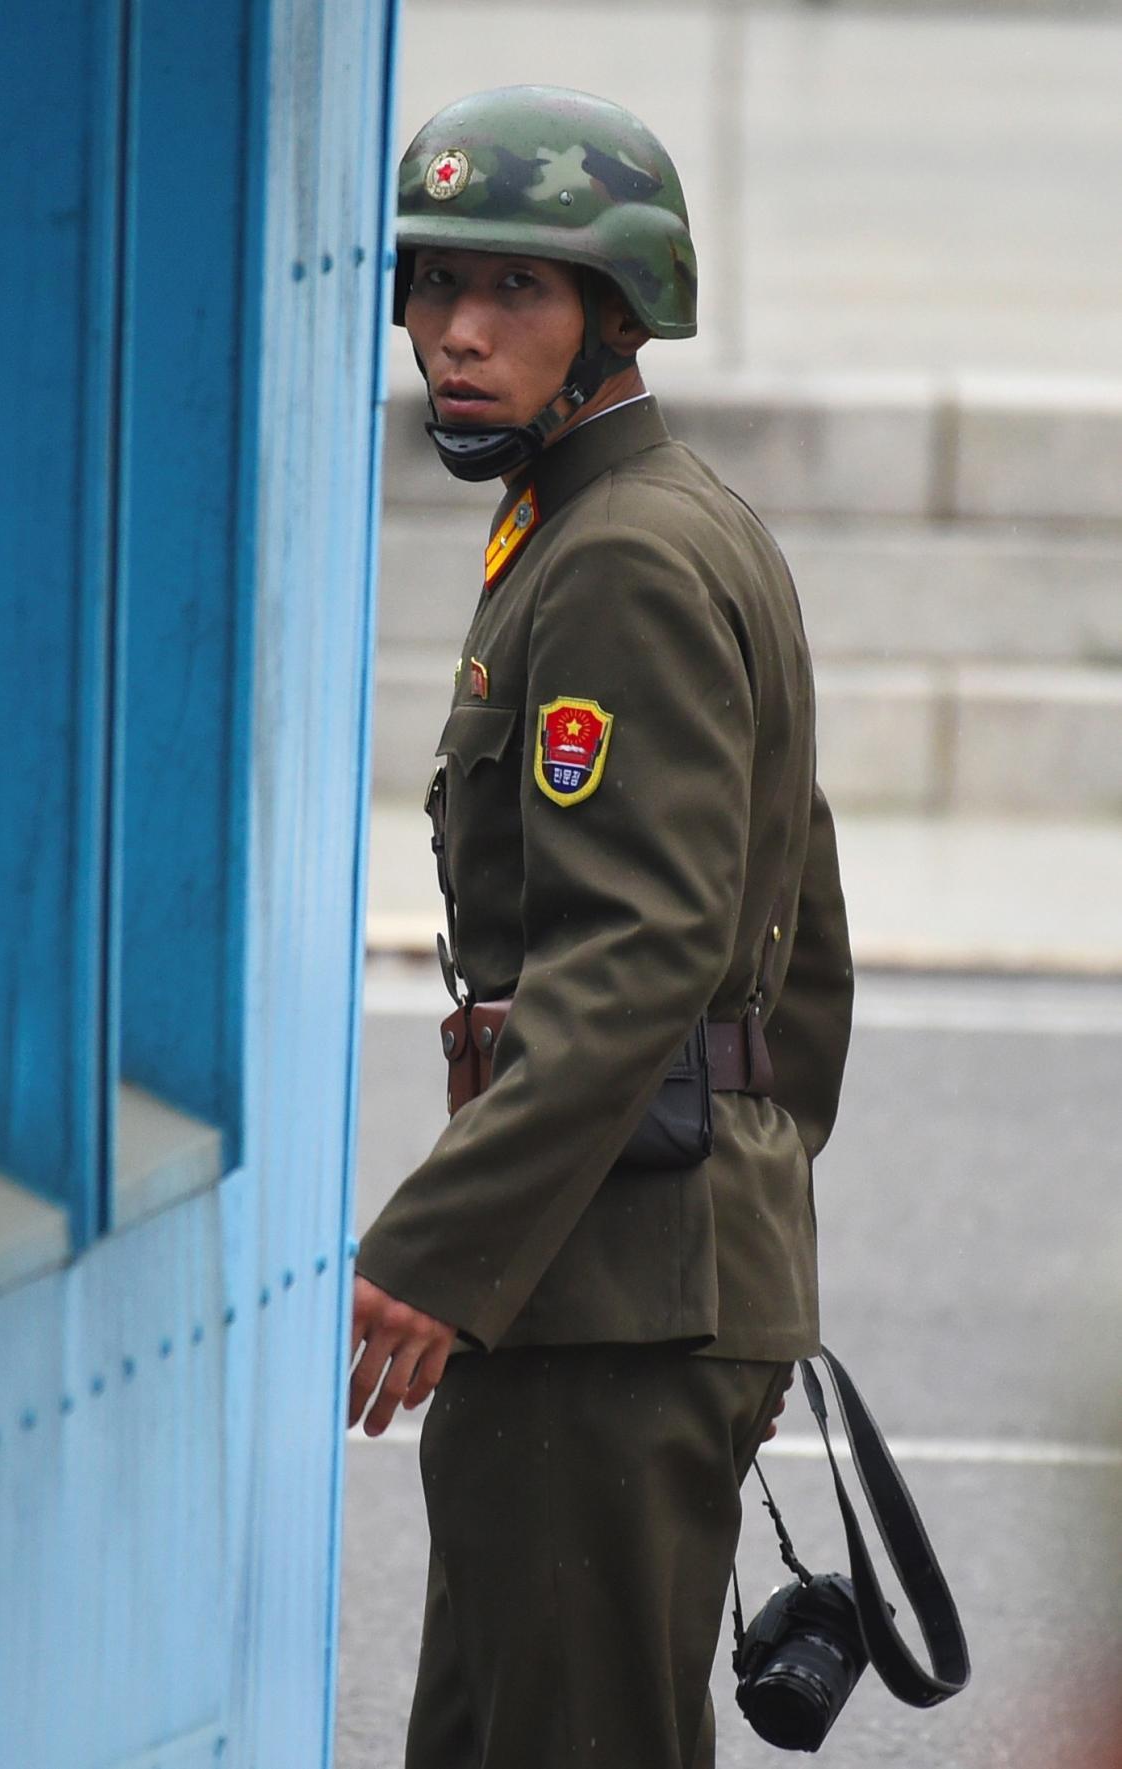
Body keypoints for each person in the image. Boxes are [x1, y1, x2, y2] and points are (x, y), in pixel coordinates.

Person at [344, 85, 856, 1768]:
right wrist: (748, 1191)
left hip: (612, 1286)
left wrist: (443, 1246)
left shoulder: (622, 554)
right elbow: (799, 906)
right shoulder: (629, 521)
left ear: (616, 313)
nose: (458, 331)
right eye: (437, 284)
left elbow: (642, 945)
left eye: (518, 289)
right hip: (626, 1266)